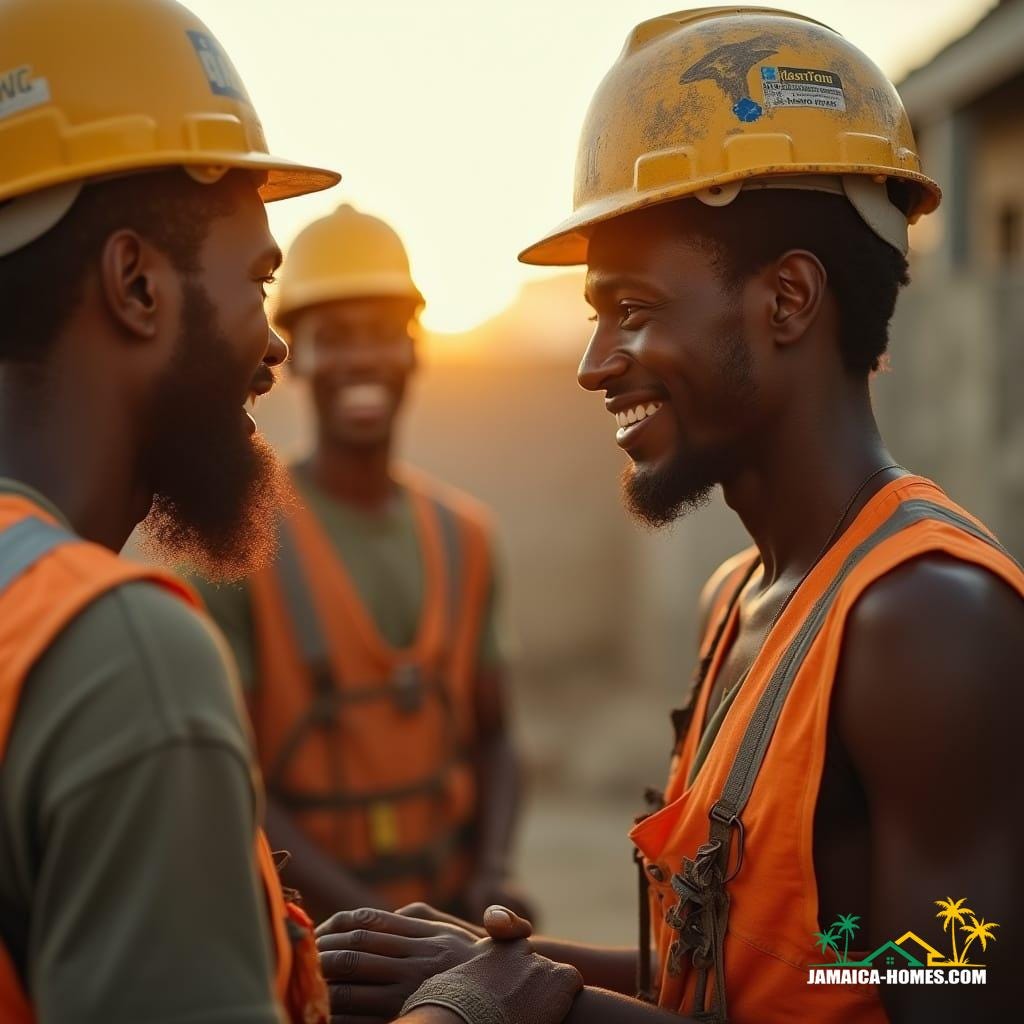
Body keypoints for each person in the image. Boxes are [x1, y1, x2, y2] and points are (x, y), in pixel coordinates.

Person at [318, 7, 1023, 1023]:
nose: (592, 362)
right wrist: (487, 959)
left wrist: (550, 1006)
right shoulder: (737, 599)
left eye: (633, 309)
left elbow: (949, 986)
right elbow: (760, 973)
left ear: (787, 300)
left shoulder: (927, 625)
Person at [196, 204, 528, 925]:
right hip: (308, 938)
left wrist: (493, 874)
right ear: (295, 357)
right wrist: (384, 926)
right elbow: (229, 781)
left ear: (415, 350)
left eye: (382, 333)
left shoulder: (466, 537)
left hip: (450, 929)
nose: (361, 359)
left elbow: (497, 736)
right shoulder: (237, 544)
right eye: (334, 338)